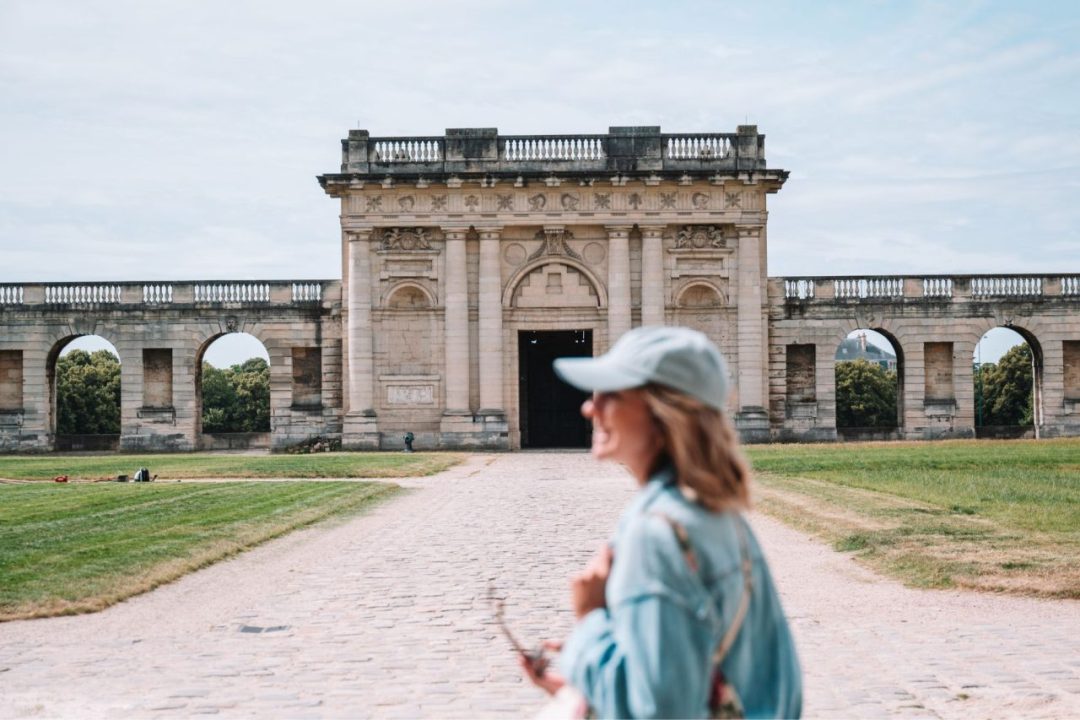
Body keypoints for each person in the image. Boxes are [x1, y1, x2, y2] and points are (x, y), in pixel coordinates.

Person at [520, 326, 802, 719]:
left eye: (610, 393)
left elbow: (659, 710)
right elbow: (770, 685)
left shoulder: (655, 533)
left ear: (660, 411)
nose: (589, 407)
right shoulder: (722, 516)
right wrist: (588, 678)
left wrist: (588, 624)